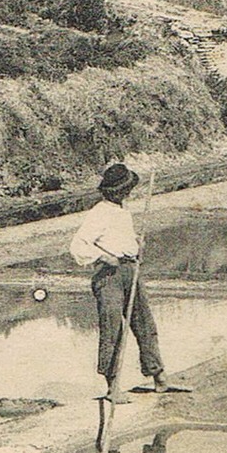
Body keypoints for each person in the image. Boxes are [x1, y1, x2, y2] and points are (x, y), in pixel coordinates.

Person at [69, 163, 167, 402]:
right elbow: (78, 246)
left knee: (144, 322)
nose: (129, 193)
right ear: (117, 191)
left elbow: (122, 239)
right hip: (109, 276)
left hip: (130, 270)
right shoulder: (98, 213)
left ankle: (159, 377)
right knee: (113, 328)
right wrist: (104, 256)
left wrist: (136, 245)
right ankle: (113, 387)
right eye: (126, 189)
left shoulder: (122, 211)